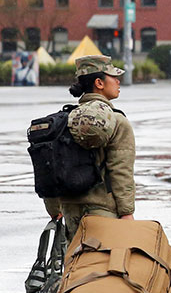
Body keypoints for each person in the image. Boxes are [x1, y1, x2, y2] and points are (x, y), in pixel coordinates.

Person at [51, 55, 136, 242]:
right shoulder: (117, 121)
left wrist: (54, 209)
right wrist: (127, 212)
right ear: (99, 83)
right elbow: (121, 171)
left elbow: (51, 165)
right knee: (103, 267)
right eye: (113, 76)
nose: (118, 81)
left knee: (75, 266)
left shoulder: (64, 120)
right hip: (103, 211)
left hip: (70, 209)